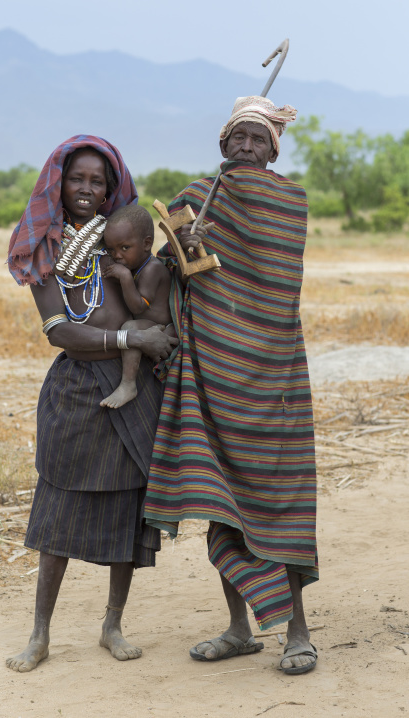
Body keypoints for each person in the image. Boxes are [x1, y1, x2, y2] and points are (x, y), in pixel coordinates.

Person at [144, 96, 319, 675]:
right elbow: (167, 267)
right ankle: (238, 629)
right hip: (211, 374)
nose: (247, 146)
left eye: (258, 138)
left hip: (274, 376)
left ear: (274, 149)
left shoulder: (290, 201)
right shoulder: (195, 197)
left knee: (279, 503)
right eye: (237, 138)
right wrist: (183, 243)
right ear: (222, 146)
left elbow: (277, 278)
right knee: (221, 502)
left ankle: (296, 632)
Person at [5, 135, 177, 672]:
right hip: (77, 390)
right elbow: (60, 333)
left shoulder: (123, 240)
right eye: (77, 178)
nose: (86, 188)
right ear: (59, 181)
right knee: (57, 513)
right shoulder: (43, 245)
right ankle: (40, 635)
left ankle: (112, 624)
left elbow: (160, 279)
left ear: (109, 189)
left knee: (128, 507)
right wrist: (132, 340)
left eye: (97, 181)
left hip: (133, 392)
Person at [100, 205, 172, 409]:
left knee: (130, 328)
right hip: (150, 323)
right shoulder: (137, 266)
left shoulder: (152, 269)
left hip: (161, 328)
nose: (117, 256)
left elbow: (139, 306)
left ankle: (128, 385)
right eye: (111, 250)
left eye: (124, 248)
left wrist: (124, 277)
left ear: (147, 243)